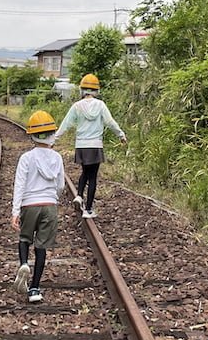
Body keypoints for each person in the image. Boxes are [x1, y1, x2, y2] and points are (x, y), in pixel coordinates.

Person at [54, 73, 126, 219]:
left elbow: (66, 123)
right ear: (96, 91)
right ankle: (88, 210)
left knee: (85, 172)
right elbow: (110, 122)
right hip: (95, 145)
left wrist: (54, 138)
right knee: (92, 177)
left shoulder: (77, 106)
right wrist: (121, 135)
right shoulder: (101, 105)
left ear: (82, 90)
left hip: (81, 145)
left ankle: (79, 195)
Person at [11, 110, 65, 304]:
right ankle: (34, 289)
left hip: (29, 205)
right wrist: (53, 199)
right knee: (41, 248)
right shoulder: (57, 158)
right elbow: (60, 186)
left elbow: (20, 185)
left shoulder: (26, 158)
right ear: (52, 135)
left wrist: (16, 211)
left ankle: (24, 263)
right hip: (49, 205)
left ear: (32, 135)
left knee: (25, 239)